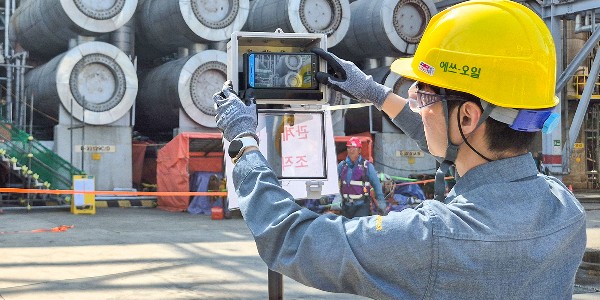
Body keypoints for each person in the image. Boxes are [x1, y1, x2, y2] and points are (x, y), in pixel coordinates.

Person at [213, 0, 586, 298]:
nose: (416, 104)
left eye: (424, 94)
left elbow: (293, 242)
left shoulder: (430, 239)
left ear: (469, 117)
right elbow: (453, 143)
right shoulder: (565, 210)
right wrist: (377, 95)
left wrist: (243, 145)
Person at [336, 136, 386, 217]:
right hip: (346, 206)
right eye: (349, 148)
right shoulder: (342, 166)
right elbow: (334, 184)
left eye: (354, 148)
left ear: (359, 150)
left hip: (362, 207)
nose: (351, 150)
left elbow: (377, 186)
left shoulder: (367, 166)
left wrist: (382, 205)